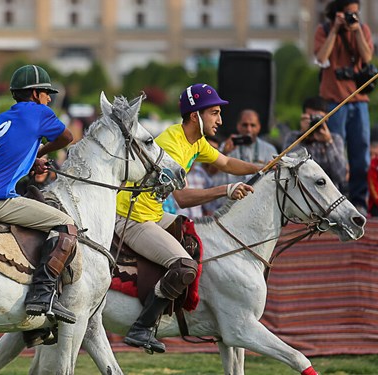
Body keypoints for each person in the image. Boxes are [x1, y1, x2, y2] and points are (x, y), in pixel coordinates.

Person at [116, 83, 259, 353]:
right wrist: (226, 190)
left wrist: (265, 167)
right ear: (195, 116)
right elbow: (180, 198)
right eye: (215, 113)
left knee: (196, 240)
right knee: (184, 266)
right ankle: (142, 327)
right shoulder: (172, 143)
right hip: (131, 218)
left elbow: (227, 163)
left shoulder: (196, 140)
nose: (220, 120)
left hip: (155, 214)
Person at [0, 65, 78, 325]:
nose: (50, 99)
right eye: (47, 93)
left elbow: (8, 154)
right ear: (36, 94)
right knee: (66, 224)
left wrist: (31, 159)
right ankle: (43, 295)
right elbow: (67, 138)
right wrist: (42, 154)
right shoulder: (39, 112)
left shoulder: (1, 119)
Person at [315, 0, 374, 214]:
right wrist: (336, 30)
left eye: (356, 13)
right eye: (349, 13)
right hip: (333, 102)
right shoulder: (323, 30)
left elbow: (367, 59)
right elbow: (321, 58)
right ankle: (334, 201)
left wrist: (356, 31)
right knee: (334, 154)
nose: (353, 17)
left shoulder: (362, 29)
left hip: (359, 102)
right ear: (338, 13)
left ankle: (359, 200)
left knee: (361, 153)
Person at [211, 109, 276, 210]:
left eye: (252, 125)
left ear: (259, 127)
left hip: (258, 205)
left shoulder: (269, 149)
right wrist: (224, 152)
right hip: (230, 205)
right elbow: (211, 173)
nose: (249, 129)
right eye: (245, 125)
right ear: (238, 126)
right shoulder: (227, 145)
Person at [283, 96, 347, 193]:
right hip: (300, 193)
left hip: (329, 194)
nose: (315, 122)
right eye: (311, 117)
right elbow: (288, 169)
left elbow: (341, 176)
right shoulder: (292, 137)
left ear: (327, 118)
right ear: (303, 117)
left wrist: (328, 143)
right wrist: (303, 137)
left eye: (318, 118)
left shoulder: (335, 140)